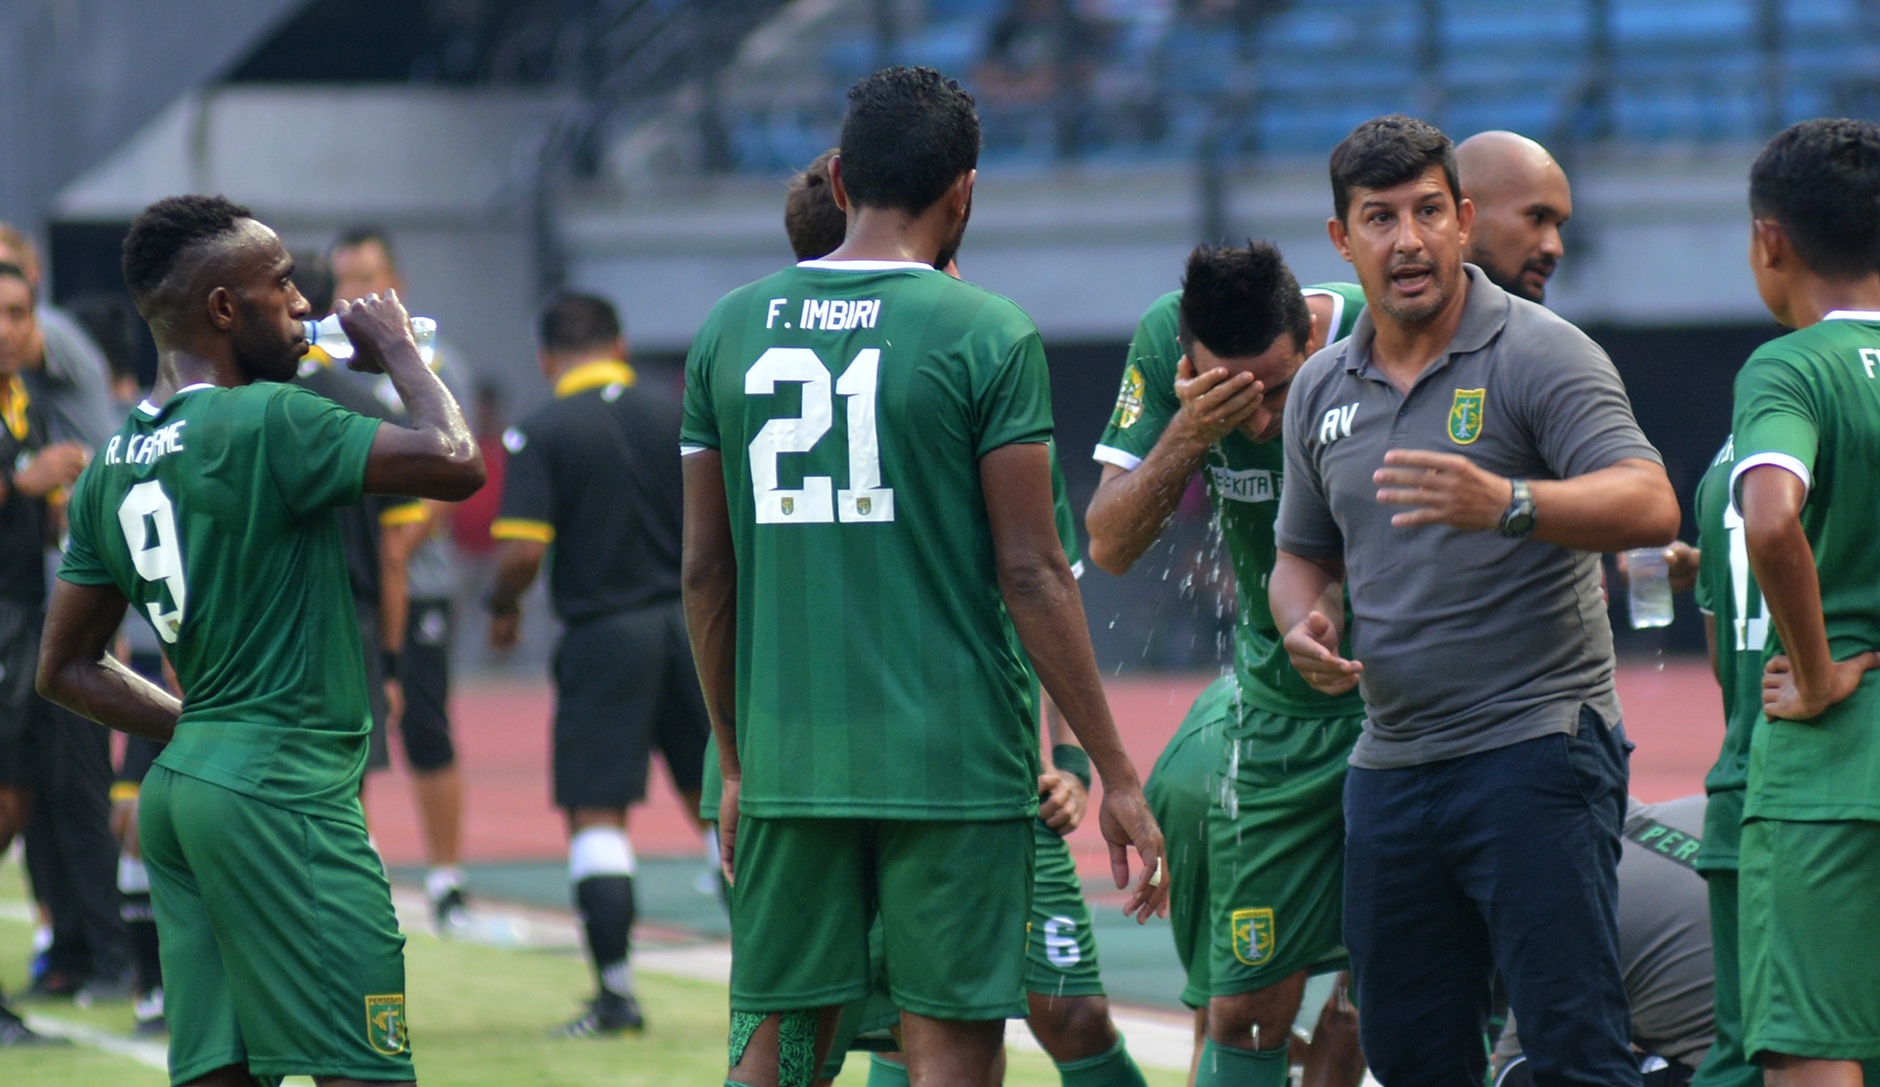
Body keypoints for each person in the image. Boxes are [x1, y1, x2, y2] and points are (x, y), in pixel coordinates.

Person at [681, 65, 1166, 1087]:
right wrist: (1114, 773)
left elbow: (703, 570)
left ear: (843, 176)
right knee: (943, 1043)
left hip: (788, 760)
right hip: (952, 767)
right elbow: (1033, 572)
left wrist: (733, 762)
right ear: (965, 192)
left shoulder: (726, 328)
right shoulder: (984, 332)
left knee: (778, 1045)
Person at [36, 194, 483, 1086]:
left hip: (182, 796)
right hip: (287, 792)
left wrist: (197, 733)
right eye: (282, 285)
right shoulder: (270, 419)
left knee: (219, 1073)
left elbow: (66, 667)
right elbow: (456, 458)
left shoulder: (113, 458)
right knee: (367, 1068)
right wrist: (398, 347)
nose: (307, 306)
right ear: (224, 308)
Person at [1269, 114, 1678, 1087]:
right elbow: (1298, 555)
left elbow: (1647, 498)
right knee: (1410, 1061)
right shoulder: (1316, 384)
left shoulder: (1541, 352)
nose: (1404, 241)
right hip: (1389, 767)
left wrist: (1509, 502)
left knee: (1570, 1049)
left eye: (1424, 212)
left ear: (1458, 220)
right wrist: (1302, 621)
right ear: (1340, 239)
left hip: (1533, 751)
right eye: (1377, 218)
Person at [1086, 244, 1368, 1087]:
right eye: (1227, 394)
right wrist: (1188, 429)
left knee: (1386, 989)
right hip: (1275, 718)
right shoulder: (1162, 350)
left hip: (1410, 711)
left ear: (1312, 339)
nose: (1254, 421)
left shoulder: (1375, 327)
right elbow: (1108, 542)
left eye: (1275, 391)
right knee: (1243, 1009)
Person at [485, 290, 709, 1036]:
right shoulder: (673, 412)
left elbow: (521, 552)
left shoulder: (543, 429)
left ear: (547, 356)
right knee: (721, 807)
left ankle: (616, 994)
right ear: (618, 342)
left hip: (603, 634)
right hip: (691, 628)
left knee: (598, 817)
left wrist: (501, 606)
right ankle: (782, 985)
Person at [1729, 117, 1880, 1087]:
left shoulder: (1788, 368)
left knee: (1810, 1057)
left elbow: (1771, 521)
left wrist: (1818, 671)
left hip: (1830, 771)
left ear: (1768, 241)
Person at [329, 227, 474, 925]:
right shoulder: (328, 370)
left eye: (367, 277)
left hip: (420, 584)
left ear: (398, 285)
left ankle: (446, 878)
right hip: (357, 584)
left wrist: (394, 541)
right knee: (353, 739)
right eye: (344, 279)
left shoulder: (439, 362)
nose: (354, 293)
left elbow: (452, 477)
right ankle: (364, 869)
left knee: (427, 729)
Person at [0, 260, 88, 1046]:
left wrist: (60, 508)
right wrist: (23, 481)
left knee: (18, 799)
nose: (7, 328)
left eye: (20, 313)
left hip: (25, 615)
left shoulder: (30, 404)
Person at [1493, 795, 1719, 1085]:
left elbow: (1514, 1072)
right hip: (1781, 1042)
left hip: (1743, 1071)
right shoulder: (1694, 808)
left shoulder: (1561, 905)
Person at [1454, 131, 1572, 305]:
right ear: (1462, 215)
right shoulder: (1402, 324)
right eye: (1537, 218)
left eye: (1558, 226)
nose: (1555, 248)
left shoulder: (1556, 333)